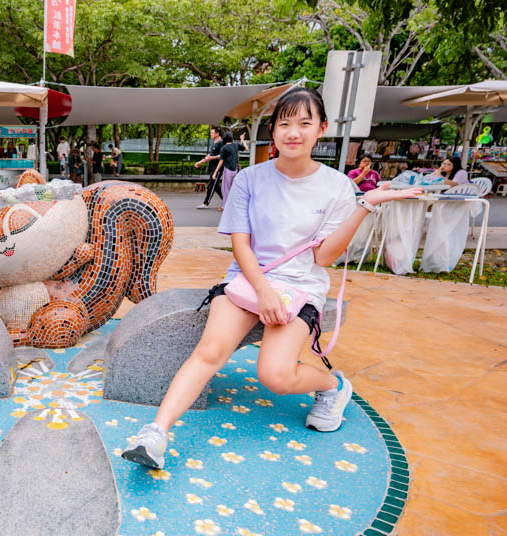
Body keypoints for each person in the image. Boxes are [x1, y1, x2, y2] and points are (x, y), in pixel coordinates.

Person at [120, 87, 422, 470]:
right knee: (210, 351)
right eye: (284, 123)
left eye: (304, 123)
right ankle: (156, 434)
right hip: (249, 279)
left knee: (276, 376)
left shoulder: (338, 187)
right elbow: (241, 245)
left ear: (321, 129)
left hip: (300, 287)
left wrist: (364, 205)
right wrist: (263, 292)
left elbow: (324, 256)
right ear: (273, 131)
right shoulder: (249, 179)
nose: (293, 132)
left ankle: (334, 386)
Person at [211, 131, 247, 211]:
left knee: (225, 189)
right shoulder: (236, 145)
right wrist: (242, 139)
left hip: (228, 171)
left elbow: (221, 161)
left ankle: (224, 206)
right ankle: (232, 205)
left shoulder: (223, 148)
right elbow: (246, 148)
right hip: (235, 171)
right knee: (232, 189)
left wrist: (215, 172)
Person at [195, 126, 224, 208]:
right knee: (216, 186)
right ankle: (227, 201)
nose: (211, 134)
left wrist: (212, 158)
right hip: (213, 167)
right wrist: (200, 162)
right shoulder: (214, 142)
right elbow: (209, 155)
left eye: (212, 133)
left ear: (217, 134)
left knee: (211, 186)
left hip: (218, 168)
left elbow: (222, 155)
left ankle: (206, 203)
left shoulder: (221, 143)